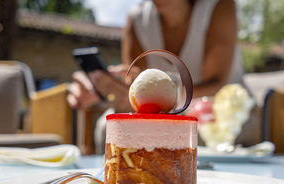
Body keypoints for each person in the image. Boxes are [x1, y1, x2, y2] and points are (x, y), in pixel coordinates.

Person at [67, 0, 257, 152]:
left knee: (188, 131)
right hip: (166, 111)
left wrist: (164, 99)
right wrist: (106, 87)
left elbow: (217, 84)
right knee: (106, 126)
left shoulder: (218, 6)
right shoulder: (137, 19)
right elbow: (135, 82)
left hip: (229, 112)